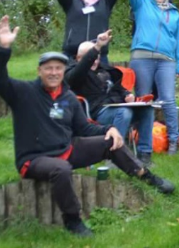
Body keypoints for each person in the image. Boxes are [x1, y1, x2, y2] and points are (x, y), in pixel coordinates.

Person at [0, 16, 173, 237]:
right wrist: (3, 48)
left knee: (109, 142)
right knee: (61, 169)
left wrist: (108, 130)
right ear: (39, 71)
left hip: (66, 150)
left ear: (62, 71)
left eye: (58, 68)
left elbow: (84, 128)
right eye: (48, 68)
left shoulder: (68, 97)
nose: (54, 72)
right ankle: (73, 220)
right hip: (35, 159)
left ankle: (146, 176)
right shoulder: (24, 93)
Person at [64, 32, 155, 165]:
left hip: (117, 107)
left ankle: (145, 154)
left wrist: (127, 95)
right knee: (124, 113)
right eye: (91, 57)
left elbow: (118, 88)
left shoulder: (104, 70)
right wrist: (96, 47)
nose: (95, 61)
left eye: (97, 58)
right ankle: (116, 157)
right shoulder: (73, 72)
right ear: (79, 58)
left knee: (147, 110)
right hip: (95, 112)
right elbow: (80, 70)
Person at [128, 0, 179, 155]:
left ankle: (173, 140)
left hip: (166, 60)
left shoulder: (174, 13)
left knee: (168, 99)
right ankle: (142, 142)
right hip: (142, 57)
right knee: (143, 99)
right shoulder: (141, 4)